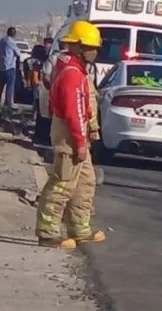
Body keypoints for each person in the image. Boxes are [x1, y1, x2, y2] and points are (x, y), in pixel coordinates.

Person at [34, 20, 107, 249]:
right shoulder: (72, 74)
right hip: (70, 133)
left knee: (85, 182)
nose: (95, 52)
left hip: (77, 131)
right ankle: (47, 232)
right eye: (90, 47)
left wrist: (91, 129)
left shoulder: (75, 69)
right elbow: (74, 111)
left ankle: (79, 228)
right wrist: (80, 140)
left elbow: (86, 104)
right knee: (62, 182)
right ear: (77, 46)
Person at [0, 26, 21, 110]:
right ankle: (7, 105)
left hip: (2, 67)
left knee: (0, 87)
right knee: (10, 87)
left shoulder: (2, 40)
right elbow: (18, 53)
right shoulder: (11, 42)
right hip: (10, 67)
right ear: (14, 34)